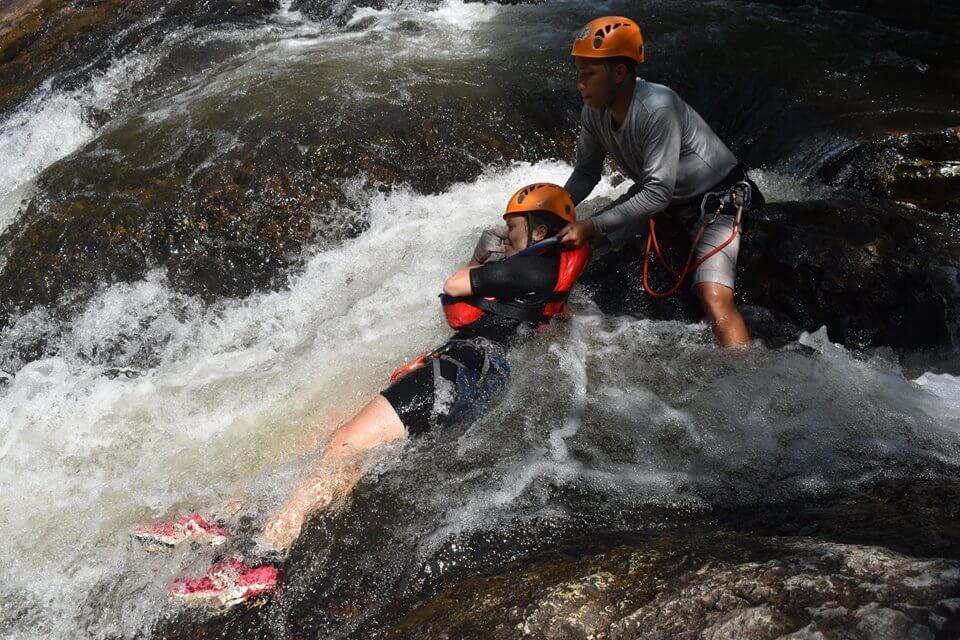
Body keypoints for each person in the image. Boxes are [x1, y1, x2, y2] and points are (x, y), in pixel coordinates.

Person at [130, 184, 590, 607]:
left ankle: (256, 562)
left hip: (463, 370)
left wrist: (479, 259)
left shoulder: (532, 264)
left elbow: (453, 289)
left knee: (345, 444)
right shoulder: (539, 272)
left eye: (512, 230)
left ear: (541, 230)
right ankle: (229, 520)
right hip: (465, 367)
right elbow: (495, 321)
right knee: (339, 442)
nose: (505, 238)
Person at [557, 16, 765, 349]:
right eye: (579, 73)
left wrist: (591, 224)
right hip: (663, 201)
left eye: (589, 74)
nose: (580, 84)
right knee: (571, 244)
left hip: (718, 201)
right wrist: (554, 209)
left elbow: (656, 193)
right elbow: (585, 173)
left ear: (620, 72)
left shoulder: (657, 108)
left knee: (712, 296)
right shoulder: (593, 111)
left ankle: (744, 378)